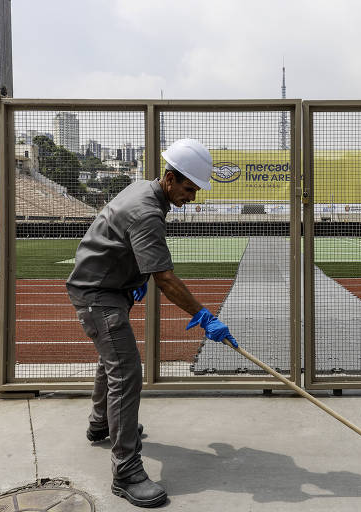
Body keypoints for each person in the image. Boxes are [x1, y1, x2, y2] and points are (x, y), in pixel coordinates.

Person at [66, 138, 237, 508]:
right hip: (98, 293)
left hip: (111, 286)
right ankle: (126, 472)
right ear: (171, 178)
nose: (192, 197)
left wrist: (133, 279)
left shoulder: (146, 188)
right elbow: (167, 279)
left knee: (112, 358)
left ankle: (101, 425)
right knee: (126, 372)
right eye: (189, 189)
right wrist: (204, 316)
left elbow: (125, 244)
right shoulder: (147, 210)